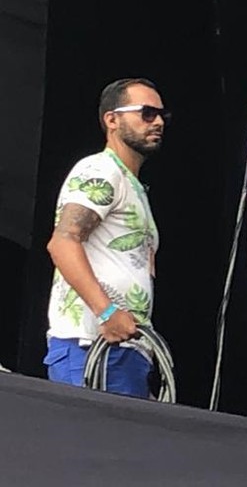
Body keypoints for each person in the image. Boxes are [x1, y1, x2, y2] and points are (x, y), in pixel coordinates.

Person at [44, 77, 168, 398]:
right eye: (146, 112)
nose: (157, 122)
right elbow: (62, 242)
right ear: (111, 120)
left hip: (125, 349)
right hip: (90, 343)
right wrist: (107, 313)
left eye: (161, 115)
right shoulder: (101, 170)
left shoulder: (133, 186)